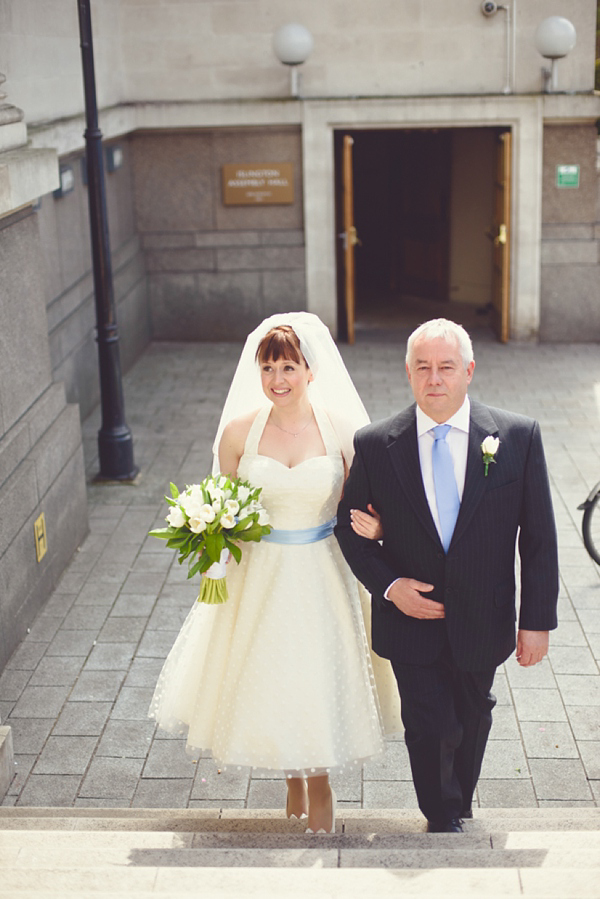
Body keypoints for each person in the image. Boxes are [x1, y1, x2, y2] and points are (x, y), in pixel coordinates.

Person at [149, 312, 400, 834]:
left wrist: (377, 531)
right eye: (268, 368)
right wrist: (212, 536)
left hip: (323, 570)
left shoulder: (343, 433)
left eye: (288, 367)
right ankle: (292, 773)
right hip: (259, 573)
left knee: (317, 670)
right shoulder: (239, 434)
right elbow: (223, 503)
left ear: (310, 370)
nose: (277, 380)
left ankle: (320, 784)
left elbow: (366, 507)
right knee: (270, 672)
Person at [336, 318, 559, 833]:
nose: (434, 379)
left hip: (484, 614)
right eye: (423, 368)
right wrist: (391, 588)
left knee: (472, 715)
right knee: (429, 722)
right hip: (410, 619)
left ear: (468, 371)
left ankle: (458, 804)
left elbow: (540, 537)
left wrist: (536, 622)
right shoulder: (375, 444)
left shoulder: (517, 437)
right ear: (408, 373)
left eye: (446, 367)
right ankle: (442, 819)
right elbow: (347, 531)